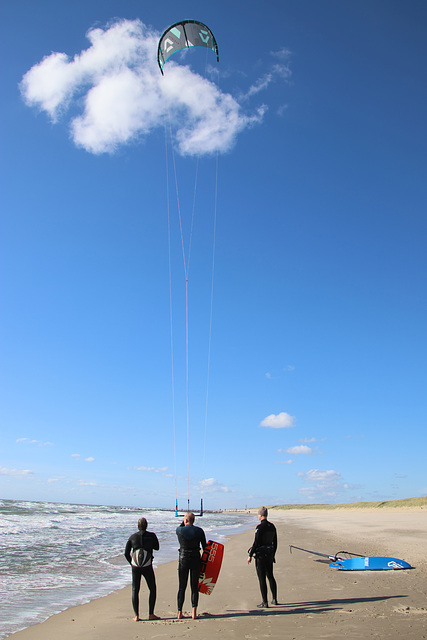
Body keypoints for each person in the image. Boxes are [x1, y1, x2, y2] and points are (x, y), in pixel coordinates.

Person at [124, 517, 160, 621]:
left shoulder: (132, 537)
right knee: (152, 588)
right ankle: (151, 614)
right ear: (146, 525)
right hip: (147, 565)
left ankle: (136, 616)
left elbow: (126, 553)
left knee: (135, 589)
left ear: (138, 526)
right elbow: (157, 547)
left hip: (135, 566)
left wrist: (132, 563)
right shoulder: (152, 536)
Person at [176, 511, 207, 620]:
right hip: (195, 559)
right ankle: (194, 612)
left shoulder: (179, 530)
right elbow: (205, 547)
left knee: (182, 587)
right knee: (194, 587)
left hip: (183, 559)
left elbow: (180, 527)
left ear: (185, 520)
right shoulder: (199, 531)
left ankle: (179, 612)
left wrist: (184, 521)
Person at [247, 506, 278, 608]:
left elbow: (256, 543)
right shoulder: (272, 526)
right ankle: (274, 599)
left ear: (260, 515)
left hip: (261, 556)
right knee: (270, 576)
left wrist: (250, 555)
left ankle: (265, 602)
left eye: (258, 515)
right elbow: (275, 543)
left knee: (262, 579)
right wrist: (273, 554)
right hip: (269, 554)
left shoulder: (259, 528)